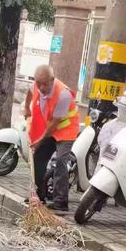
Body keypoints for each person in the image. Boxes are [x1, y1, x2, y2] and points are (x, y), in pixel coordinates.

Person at [24, 65, 80, 213]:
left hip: (66, 129)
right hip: (50, 128)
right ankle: (39, 195)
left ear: (52, 80)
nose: (41, 87)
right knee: (38, 158)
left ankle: (61, 202)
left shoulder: (63, 94)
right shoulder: (36, 84)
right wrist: (26, 108)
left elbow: (54, 123)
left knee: (61, 162)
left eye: (45, 84)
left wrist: (39, 140)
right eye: (38, 83)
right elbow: (29, 93)